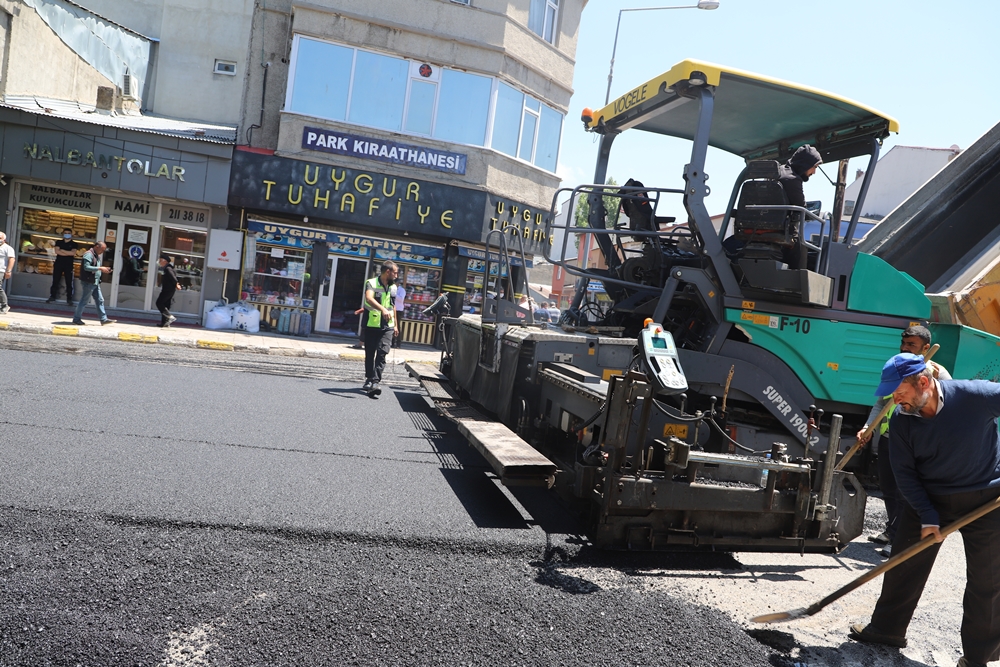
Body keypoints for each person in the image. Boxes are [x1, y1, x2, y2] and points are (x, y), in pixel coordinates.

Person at [848, 353, 1000, 667]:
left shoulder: (975, 396)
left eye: (899, 392)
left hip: (986, 498)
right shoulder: (902, 420)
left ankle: (978, 658)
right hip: (930, 499)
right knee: (904, 563)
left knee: (988, 582)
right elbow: (904, 474)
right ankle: (887, 630)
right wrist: (927, 515)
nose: (895, 399)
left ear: (923, 382)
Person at [856, 325, 952, 556]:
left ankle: (900, 538)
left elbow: (947, 405)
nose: (904, 348)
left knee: (904, 491)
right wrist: (868, 427)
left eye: (911, 344)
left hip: (915, 444)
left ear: (926, 348)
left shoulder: (937, 374)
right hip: (890, 438)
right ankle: (892, 529)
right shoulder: (897, 367)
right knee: (888, 488)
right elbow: (881, 403)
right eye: (904, 343)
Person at [777, 144, 822, 270]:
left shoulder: (777, 172)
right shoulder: (792, 179)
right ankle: (797, 277)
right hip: (779, 230)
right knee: (801, 245)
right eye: (814, 167)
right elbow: (801, 208)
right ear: (805, 164)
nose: (814, 172)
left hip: (755, 226)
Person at [362, 261, 399, 398]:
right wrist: (382, 309)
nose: (396, 276)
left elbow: (393, 306)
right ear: (387, 272)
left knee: (382, 353)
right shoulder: (371, 283)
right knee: (370, 353)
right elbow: (368, 298)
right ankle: (369, 378)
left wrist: (396, 325)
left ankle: (375, 382)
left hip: (387, 326)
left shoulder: (393, 287)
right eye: (395, 273)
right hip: (371, 324)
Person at [72, 242, 115, 326]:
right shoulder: (89, 255)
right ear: (97, 246)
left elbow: (95, 267)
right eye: (102, 250)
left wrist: (103, 269)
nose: (102, 252)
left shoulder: (96, 255)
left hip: (95, 282)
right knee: (84, 301)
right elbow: (86, 267)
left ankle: (103, 319)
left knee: (100, 300)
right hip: (89, 282)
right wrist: (100, 268)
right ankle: (76, 319)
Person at [47, 228, 76, 305]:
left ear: (71, 234)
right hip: (58, 264)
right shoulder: (59, 242)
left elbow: (73, 253)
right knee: (55, 280)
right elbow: (57, 251)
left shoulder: (74, 244)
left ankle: (69, 298)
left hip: (68, 265)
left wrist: (62, 250)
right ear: (63, 234)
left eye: (69, 233)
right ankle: (52, 296)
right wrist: (67, 252)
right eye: (65, 233)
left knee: (69, 282)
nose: (67, 234)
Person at [156, 254, 181, 328]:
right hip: (169, 290)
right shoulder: (169, 267)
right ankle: (165, 323)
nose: (159, 262)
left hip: (167, 290)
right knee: (166, 305)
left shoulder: (168, 268)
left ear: (165, 261)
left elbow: (172, 277)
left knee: (159, 303)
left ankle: (169, 317)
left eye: (160, 261)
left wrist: (176, 284)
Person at [0, 231, 14, 315]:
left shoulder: (8, 248)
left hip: (1, 271)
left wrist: (8, 271)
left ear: (4, 239)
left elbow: (11, 259)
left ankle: (4, 305)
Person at [392, 279, 406, 348]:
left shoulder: (401, 290)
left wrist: (394, 295)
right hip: (392, 309)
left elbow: (401, 299)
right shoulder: (392, 289)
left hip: (398, 310)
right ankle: (392, 342)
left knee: (397, 326)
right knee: (391, 326)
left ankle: (398, 343)